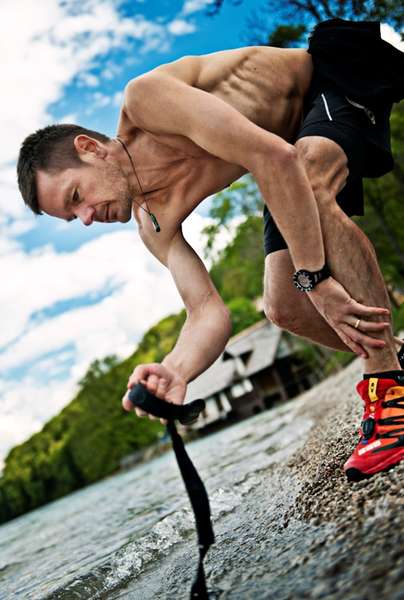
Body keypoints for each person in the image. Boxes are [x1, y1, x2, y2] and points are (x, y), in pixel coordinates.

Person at [17, 19, 404, 481]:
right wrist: (176, 370)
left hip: (331, 79)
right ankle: (397, 357)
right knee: (283, 307)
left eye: (76, 196)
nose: (85, 218)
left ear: (89, 148)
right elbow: (206, 312)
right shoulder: (154, 224)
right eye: (71, 217)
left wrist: (316, 280)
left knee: (307, 175)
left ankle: (390, 395)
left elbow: (274, 159)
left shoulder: (146, 101)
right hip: (285, 156)